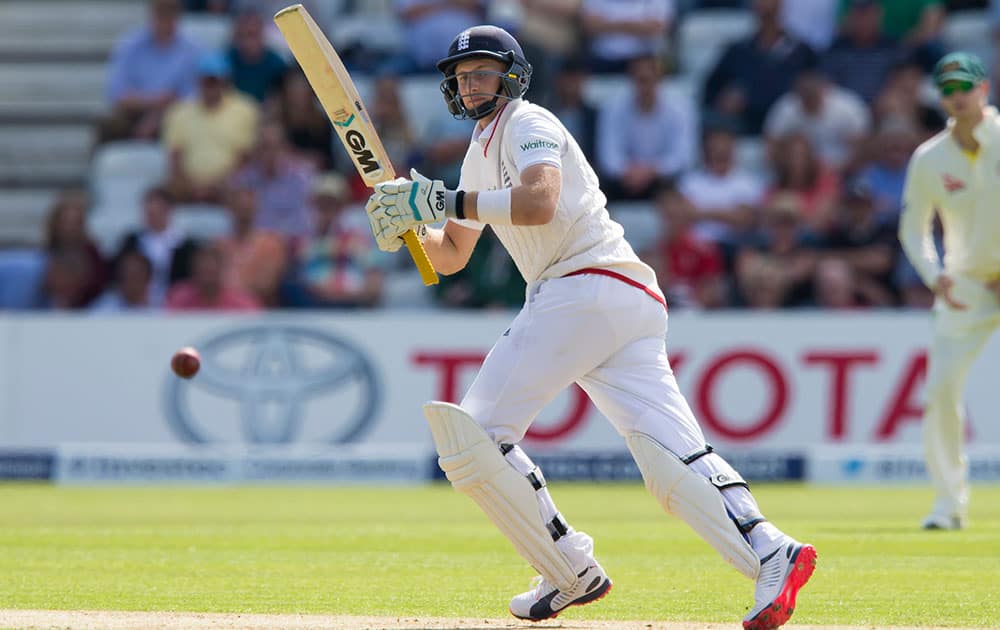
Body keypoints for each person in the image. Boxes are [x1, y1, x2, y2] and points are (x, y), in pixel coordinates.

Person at [364, 25, 817, 628]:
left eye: (484, 72)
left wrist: (438, 202)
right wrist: (409, 226)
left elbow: (537, 203)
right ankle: (771, 550)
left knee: (473, 438)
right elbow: (449, 255)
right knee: (668, 460)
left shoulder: (529, 123)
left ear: (512, 76)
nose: (473, 85)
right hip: (620, 298)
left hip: (582, 287)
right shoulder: (478, 153)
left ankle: (569, 569)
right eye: (463, 75)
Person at [899, 51, 1000, 531]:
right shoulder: (930, 158)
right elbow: (913, 228)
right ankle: (948, 504)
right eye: (949, 88)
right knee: (941, 391)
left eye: (966, 86)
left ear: (984, 89)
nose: (958, 96)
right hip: (966, 286)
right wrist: (932, 273)